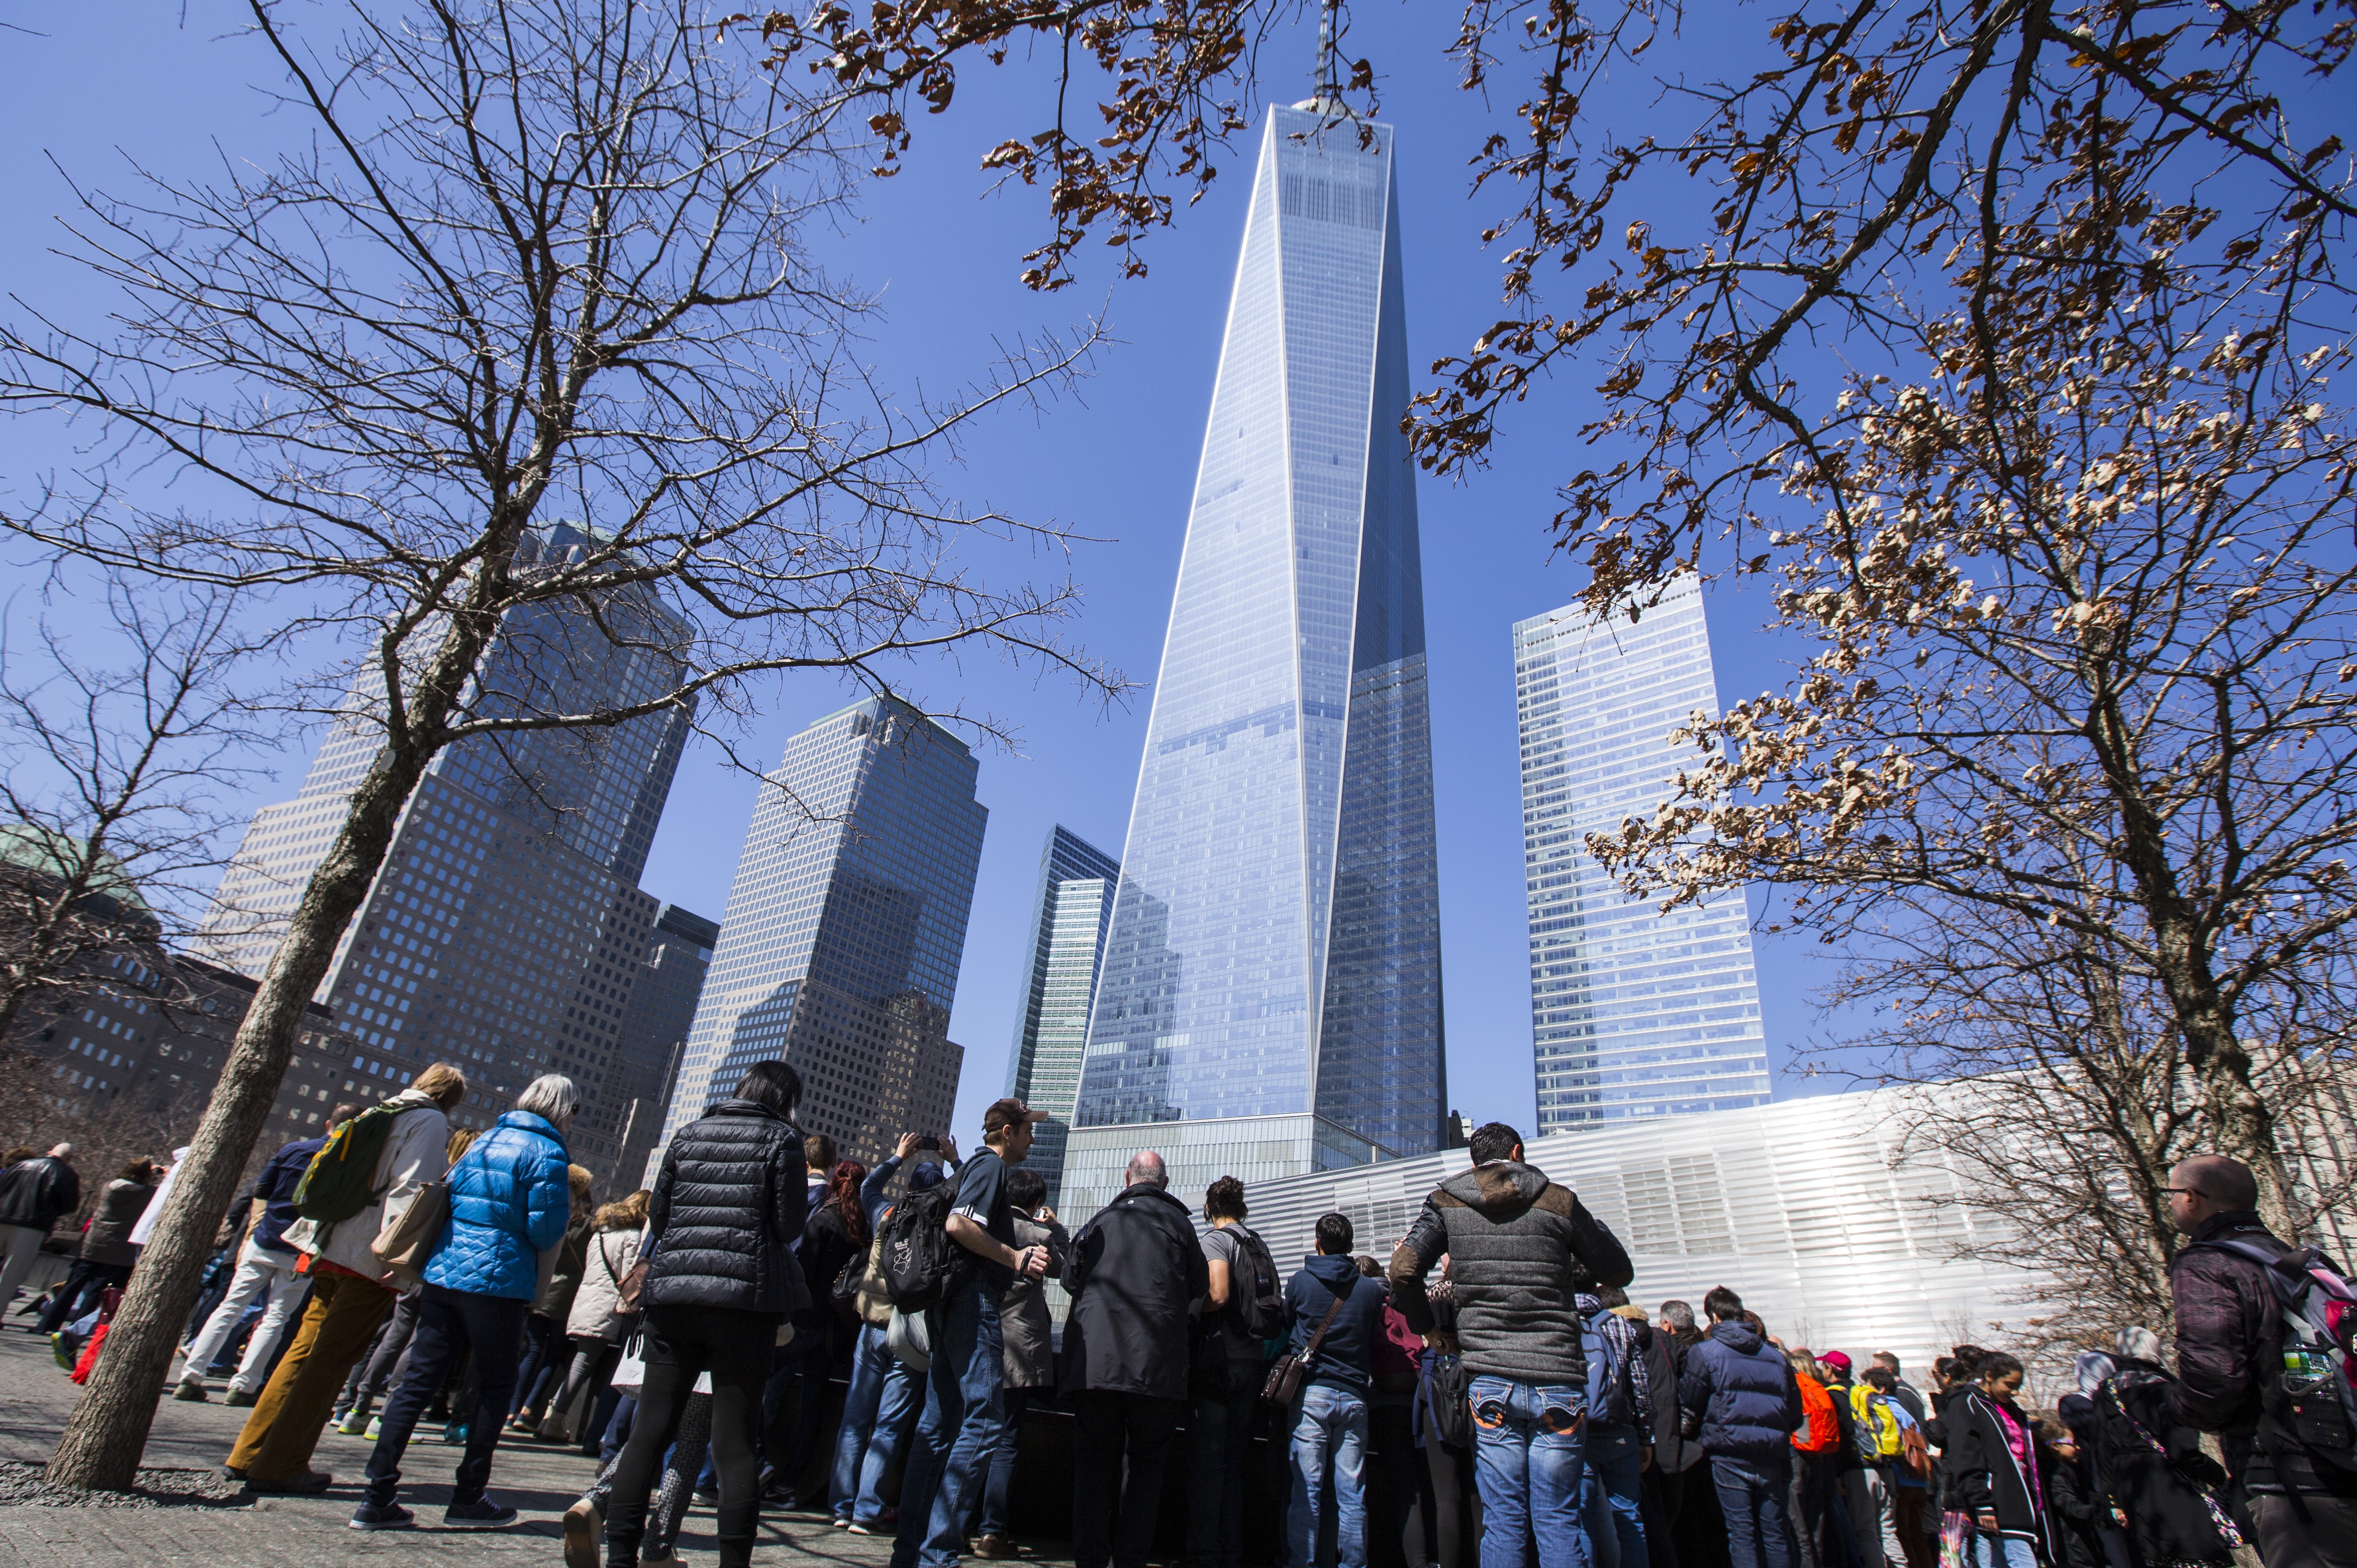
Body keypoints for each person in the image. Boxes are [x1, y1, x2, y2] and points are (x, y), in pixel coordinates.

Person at [1389, 1120, 1635, 1568]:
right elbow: (1618, 1272)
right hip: (1558, 1375)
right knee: (1558, 1519)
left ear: (1473, 1163)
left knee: (1503, 1519)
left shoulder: (1448, 1199)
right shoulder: (1559, 1199)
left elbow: (1403, 1270)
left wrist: (1430, 1330)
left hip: (1489, 1379)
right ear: (1518, 1152)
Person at [602, 1062, 810, 1568]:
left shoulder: (689, 1132)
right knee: (734, 1443)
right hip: (743, 1303)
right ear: (784, 1098)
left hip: (674, 1297)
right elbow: (787, 1227)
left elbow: (660, 1216)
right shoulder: (783, 1139)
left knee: (649, 1430)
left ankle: (622, 1556)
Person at [348, 1073, 575, 1530]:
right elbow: (546, 1232)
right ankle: (469, 1495)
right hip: (499, 1283)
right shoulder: (549, 1153)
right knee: (493, 1387)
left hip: (445, 1274)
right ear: (563, 1111)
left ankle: (376, 1495)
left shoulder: (485, 1140)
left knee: (415, 1383)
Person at [2162, 1153, 2356, 1568]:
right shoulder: (2295, 1257)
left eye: (2172, 1194)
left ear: (2192, 1198)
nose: (2171, 1203)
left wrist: (2175, 1408)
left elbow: (2213, 1379)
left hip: (2288, 1478)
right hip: (2344, 1453)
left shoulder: (2204, 1263)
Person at [889, 1098, 1051, 1568]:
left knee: (937, 1426)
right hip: (974, 1300)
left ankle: (910, 1551)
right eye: (1026, 1131)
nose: (1032, 1139)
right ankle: (938, 1552)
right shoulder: (991, 1167)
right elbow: (960, 1223)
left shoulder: (974, 1166)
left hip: (952, 1301)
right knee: (983, 1422)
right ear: (1005, 1133)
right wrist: (1016, 1257)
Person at [1062, 1150, 1207, 1568]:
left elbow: (1070, 1278)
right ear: (1164, 1182)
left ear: (1128, 1177)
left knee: (1092, 1468)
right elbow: (1199, 1285)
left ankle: (1089, 1558)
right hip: (1157, 1368)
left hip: (1096, 1366)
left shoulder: (1100, 1220)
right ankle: (1131, 1560)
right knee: (1145, 1470)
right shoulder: (1182, 1225)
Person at [176, 1106, 358, 1404]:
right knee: (276, 1317)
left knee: (230, 1306)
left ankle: (191, 1375)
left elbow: (261, 1188)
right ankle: (244, 1385)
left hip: (264, 1239)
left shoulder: (292, 1150)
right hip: (301, 1248)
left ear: (328, 1123)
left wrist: (255, 1226)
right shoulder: (347, 1164)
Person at [829, 1138, 954, 1532]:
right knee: (889, 1425)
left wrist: (900, 1155)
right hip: (912, 1332)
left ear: (911, 1187)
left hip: (872, 1326)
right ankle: (867, 1511)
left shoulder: (886, 1213)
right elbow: (975, 1189)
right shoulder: (945, 1226)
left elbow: (867, 1188)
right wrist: (955, 1159)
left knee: (854, 1420)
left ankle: (841, 1506)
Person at [1281, 1211, 1391, 1568]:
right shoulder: (1370, 1290)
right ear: (1350, 1245)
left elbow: (1285, 1322)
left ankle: (1304, 1562)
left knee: (1307, 1491)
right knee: (1352, 1493)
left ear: (1317, 1243)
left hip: (1312, 1393)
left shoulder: (1300, 1282)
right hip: (1356, 1395)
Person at [1189, 1174, 1281, 1568]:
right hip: (1252, 1360)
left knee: (1209, 1464)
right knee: (1235, 1463)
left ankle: (1205, 1554)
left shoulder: (1215, 1239)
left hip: (1220, 1363)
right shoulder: (1255, 1241)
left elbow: (1219, 1294)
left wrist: (1191, 1309)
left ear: (1209, 1209)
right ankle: (1232, 1552)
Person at [2087, 1328, 2236, 1568]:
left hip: (2131, 1489)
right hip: (2171, 1486)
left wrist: (2111, 1499)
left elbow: (2102, 1451)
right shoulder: (2165, 1388)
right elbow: (2183, 1451)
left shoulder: (2106, 1392)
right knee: (2194, 1555)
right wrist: (2218, 1475)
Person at [769, 1156, 870, 1507]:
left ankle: (761, 1465)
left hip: (806, 1323)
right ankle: (790, 1483)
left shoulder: (824, 1219)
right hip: (838, 1331)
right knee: (813, 1408)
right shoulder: (863, 1225)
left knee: (768, 1389)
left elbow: (805, 1272)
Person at [978, 1164, 1067, 1559]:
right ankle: (992, 1531)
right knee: (1006, 1440)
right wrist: (1056, 1228)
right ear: (1035, 1202)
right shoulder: (1039, 1236)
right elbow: (1070, 1269)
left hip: (979, 1337)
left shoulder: (987, 1230)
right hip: (1018, 1348)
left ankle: (953, 1521)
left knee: (968, 1431)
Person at [1680, 1285, 1803, 1568]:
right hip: (1772, 1453)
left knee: (1741, 1532)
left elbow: (1690, 1401)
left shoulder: (1706, 1352)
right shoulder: (1776, 1357)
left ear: (1713, 1316)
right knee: (1775, 1532)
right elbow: (1795, 1413)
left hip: (1729, 1450)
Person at [541, 1188, 650, 1447]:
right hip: (607, 1307)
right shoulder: (633, 1236)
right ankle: (555, 1419)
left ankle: (558, 1421)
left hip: (585, 1302)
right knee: (586, 1363)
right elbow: (629, 1278)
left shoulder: (601, 1234)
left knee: (585, 1362)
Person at [1942, 1350, 2054, 1568]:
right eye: (2010, 1385)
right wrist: (1982, 1503)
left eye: (2018, 1387)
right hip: (1998, 1502)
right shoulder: (1966, 1403)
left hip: (2021, 1501)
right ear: (1990, 1376)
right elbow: (1966, 1456)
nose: (2015, 1392)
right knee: (2022, 1561)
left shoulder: (2013, 1411)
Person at [511, 1165, 597, 1434]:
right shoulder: (589, 1228)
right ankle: (528, 1410)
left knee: (531, 1350)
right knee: (554, 1356)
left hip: (543, 1288)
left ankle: (512, 1408)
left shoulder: (554, 1219)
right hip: (569, 1297)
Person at [39, 1158, 159, 1344]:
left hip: (93, 1244)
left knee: (72, 1286)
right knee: (96, 1292)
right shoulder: (149, 1193)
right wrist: (162, 1174)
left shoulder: (108, 1187)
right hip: (120, 1249)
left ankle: (47, 1324)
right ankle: (74, 1332)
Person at [1579, 1280, 1656, 1568]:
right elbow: (1640, 1387)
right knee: (1629, 1516)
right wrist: (1646, 1437)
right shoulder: (1620, 1325)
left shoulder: (1556, 1320)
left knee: (1581, 1518)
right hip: (1620, 1431)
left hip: (1575, 1433)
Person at [1859, 1367, 1933, 1568]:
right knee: (1917, 1535)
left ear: (1881, 1390)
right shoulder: (1906, 1412)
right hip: (1920, 1481)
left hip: (1901, 1481)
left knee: (1901, 1535)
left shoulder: (1884, 1411)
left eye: (1868, 1387)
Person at [1818, 1353, 1883, 1568]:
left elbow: (1842, 1438)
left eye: (1823, 1366)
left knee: (1864, 1532)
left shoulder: (1832, 1396)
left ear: (1830, 1369)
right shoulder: (1859, 1392)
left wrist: (1837, 1474)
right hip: (1878, 1466)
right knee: (1883, 1531)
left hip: (1854, 1471)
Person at [0, 1143, 80, 1312]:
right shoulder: (67, 1174)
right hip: (32, 1225)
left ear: (50, 1152)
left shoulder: (20, 1165)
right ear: (69, 1159)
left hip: (3, 1216)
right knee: (11, 1273)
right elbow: (69, 1205)